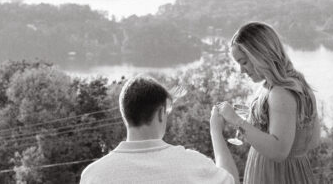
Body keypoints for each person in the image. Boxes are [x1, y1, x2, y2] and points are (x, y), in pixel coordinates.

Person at [80, 74, 238, 184]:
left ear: (124, 116)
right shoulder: (192, 164)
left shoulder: (93, 175)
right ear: (161, 113)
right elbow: (231, 179)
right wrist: (216, 132)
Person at [218, 21, 320, 183]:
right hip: (294, 174)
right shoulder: (299, 84)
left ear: (260, 55)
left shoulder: (280, 92)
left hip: (275, 176)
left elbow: (279, 151)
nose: (242, 70)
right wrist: (258, 120)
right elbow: (312, 141)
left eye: (244, 62)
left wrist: (236, 121)